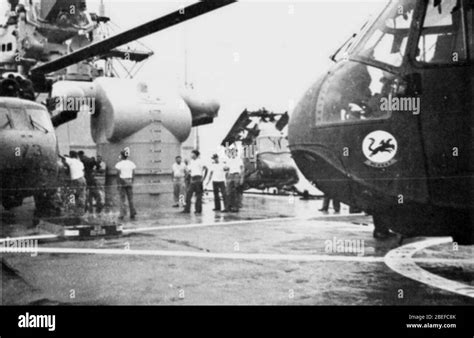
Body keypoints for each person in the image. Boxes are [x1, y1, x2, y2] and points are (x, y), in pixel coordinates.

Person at [60, 151, 86, 216]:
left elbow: (62, 157)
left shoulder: (71, 160)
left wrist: (57, 154)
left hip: (75, 180)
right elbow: (82, 170)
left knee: (71, 195)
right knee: (81, 195)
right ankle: (81, 212)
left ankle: (71, 211)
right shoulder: (80, 162)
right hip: (82, 179)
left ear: (70, 155)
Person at [183, 150, 207, 214]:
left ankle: (198, 210)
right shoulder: (191, 162)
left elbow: (206, 168)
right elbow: (189, 170)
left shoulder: (200, 161)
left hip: (198, 179)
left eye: (192, 154)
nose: (191, 155)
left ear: (196, 155)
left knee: (198, 195)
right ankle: (187, 209)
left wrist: (203, 178)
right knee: (188, 194)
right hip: (193, 179)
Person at [115, 150, 137, 220]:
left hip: (122, 181)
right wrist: (132, 181)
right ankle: (132, 213)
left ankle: (122, 214)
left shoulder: (119, 164)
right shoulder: (131, 163)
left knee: (122, 199)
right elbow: (133, 173)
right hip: (129, 181)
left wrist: (118, 183)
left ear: (121, 156)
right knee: (130, 198)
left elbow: (118, 174)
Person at [225, 147, 244, 212]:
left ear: (236, 152)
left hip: (236, 175)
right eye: (231, 152)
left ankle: (236, 207)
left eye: (234, 152)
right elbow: (227, 169)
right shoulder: (229, 160)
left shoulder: (239, 159)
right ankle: (228, 206)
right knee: (228, 192)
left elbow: (242, 169)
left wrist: (241, 178)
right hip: (230, 175)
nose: (232, 153)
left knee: (236, 191)